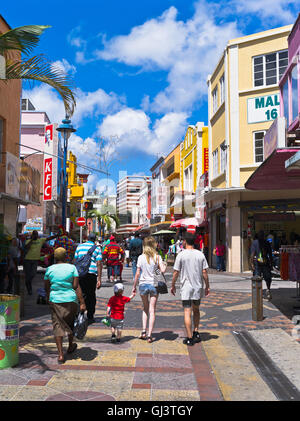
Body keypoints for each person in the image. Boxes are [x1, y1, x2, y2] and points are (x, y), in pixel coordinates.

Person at [44, 247, 86, 364]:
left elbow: (47, 286)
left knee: (57, 326)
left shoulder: (49, 269)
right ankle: (70, 345)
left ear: (55, 257)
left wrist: (48, 297)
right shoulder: (72, 268)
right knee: (70, 323)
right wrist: (82, 302)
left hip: (55, 300)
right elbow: (76, 286)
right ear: (66, 256)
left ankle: (61, 355)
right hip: (70, 300)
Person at [171, 232, 210, 346]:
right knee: (196, 310)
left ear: (184, 241)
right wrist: (207, 286)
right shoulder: (200, 255)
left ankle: (189, 337)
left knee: (187, 311)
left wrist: (173, 285)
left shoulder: (181, 255)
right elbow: (204, 272)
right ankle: (196, 332)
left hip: (186, 288)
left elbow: (176, 272)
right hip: (198, 287)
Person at [131, 236, 166, 343]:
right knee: (152, 310)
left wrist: (134, 286)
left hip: (143, 284)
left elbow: (137, 273)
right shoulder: (157, 257)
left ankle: (143, 332)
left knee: (145, 308)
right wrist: (164, 263)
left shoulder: (141, 257)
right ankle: (150, 335)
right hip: (154, 284)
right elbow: (163, 270)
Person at [74, 232, 102, 324]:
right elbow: (99, 263)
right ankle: (90, 315)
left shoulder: (79, 247)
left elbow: (75, 260)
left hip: (80, 274)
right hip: (91, 274)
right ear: (94, 240)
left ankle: (79, 313)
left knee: (80, 294)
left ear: (87, 238)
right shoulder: (97, 248)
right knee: (91, 295)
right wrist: (99, 279)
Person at [23, 230, 59, 295]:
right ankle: (29, 289)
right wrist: (32, 240)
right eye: (34, 234)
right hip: (27, 260)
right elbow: (26, 247)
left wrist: (56, 235)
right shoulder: (28, 241)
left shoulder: (40, 240)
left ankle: (28, 283)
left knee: (33, 274)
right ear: (32, 235)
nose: (36, 236)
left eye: (36, 234)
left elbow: (49, 238)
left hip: (35, 260)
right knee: (28, 275)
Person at [250, 230, 273, 300]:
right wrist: (252, 264)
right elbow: (252, 255)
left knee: (261, 277)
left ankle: (264, 291)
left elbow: (252, 255)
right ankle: (265, 290)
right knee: (264, 277)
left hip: (261, 263)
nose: (261, 236)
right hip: (262, 263)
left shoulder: (256, 243)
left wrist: (252, 264)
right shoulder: (265, 242)